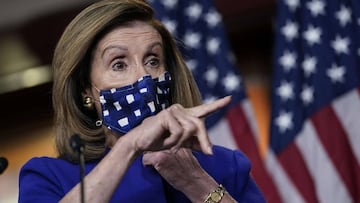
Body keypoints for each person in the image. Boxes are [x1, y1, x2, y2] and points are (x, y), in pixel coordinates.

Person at [18, 0, 266, 202]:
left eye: (152, 60)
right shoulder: (49, 177)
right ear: (85, 91)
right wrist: (130, 145)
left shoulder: (224, 164)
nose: (144, 77)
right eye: (119, 64)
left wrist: (196, 183)